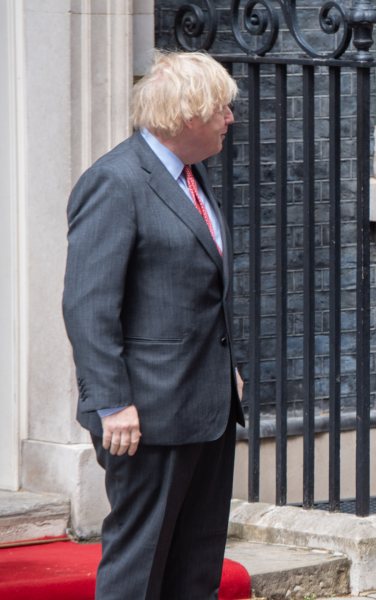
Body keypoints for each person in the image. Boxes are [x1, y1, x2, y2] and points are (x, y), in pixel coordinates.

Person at [62, 50, 244, 599]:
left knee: (197, 561)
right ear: (188, 115)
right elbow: (88, 304)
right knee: (139, 565)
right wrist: (112, 402)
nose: (231, 120)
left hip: (206, 406)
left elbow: (195, 290)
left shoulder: (193, 174)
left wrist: (226, 369)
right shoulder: (115, 182)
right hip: (146, 416)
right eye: (222, 110)